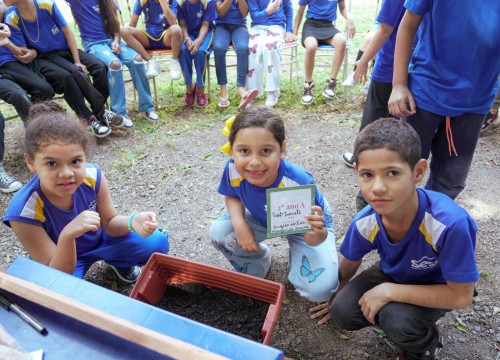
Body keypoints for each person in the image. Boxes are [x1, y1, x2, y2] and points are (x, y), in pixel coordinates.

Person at [311, 118, 479, 359]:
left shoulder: (449, 224)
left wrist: (389, 292)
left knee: (396, 319)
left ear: (418, 171)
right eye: (367, 174)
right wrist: (334, 293)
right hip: (395, 272)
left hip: (440, 284)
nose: (377, 187)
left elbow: (461, 296)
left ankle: (426, 342)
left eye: (392, 173)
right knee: (342, 311)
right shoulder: (366, 221)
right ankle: (400, 315)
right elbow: (349, 261)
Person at [3, 101, 169, 282]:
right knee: (56, 291)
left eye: (75, 161)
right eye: (51, 163)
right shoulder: (23, 210)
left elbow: (109, 222)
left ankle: (119, 261)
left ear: (85, 156)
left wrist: (132, 222)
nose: (66, 174)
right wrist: (68, 235)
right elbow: (56, 271)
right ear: (31, 163)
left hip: (101, 241)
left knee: (155, 242)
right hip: (59, 259)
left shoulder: (93, 176)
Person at [210, 106, 339, 302]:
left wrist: (316, 234)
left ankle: (299, 260)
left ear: (282, 149)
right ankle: (257, 263)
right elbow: (231, 195)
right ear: (232, 149)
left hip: (305, 227)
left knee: (320, 290)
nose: (254, 162)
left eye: (266, 151)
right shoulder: (232, 169)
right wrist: (240, 224)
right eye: (244, 151)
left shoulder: (299, 181)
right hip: (261, 216)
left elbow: (314, 236)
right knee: (220, 233)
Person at [388, 0, 500, 200]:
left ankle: (428, 224)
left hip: (476, 100)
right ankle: (377, 224)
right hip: (425, 93)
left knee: (451, 181)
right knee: (399, 169)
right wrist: (398, 84)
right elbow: (407, 25)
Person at [2, 0, 119, 137]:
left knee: (99, 68)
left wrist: (77, 60)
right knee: (73, 74)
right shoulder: (11, 16)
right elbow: (23, 51)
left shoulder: (46, 4)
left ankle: (98, 111)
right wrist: (29, 52)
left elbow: (67, 31)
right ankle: (92, 116)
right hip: (46, 56)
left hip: (67, 50)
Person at [339, 0, 406, 211]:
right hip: (416, 72)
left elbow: (385, 29)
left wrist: (363, 60)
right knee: (400, 137)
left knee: (370, 134)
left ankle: (366, 203)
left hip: (389, 72)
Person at [66, 0, 159, 124]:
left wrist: (116, 40)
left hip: (113, 41)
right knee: (115, 64)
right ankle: (119, 113)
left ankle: (147, 107)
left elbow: (115, 25)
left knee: (136, 59)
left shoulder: (108, 2)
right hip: (94, 45)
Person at [293, 0, 355, 105]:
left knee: (341, 41)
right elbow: (299, 12)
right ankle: (308, 85)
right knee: (311, 46)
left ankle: (331, 82)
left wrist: (350, 18)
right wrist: (294, 33)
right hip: (311, 25)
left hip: (328, 26)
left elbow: (343, 8)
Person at [246, 0, 295, 108]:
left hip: (276, 26)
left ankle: (273, 90)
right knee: (252, 49)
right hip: (258, 27)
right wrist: (268, 11)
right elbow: (255, 17)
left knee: (270, 46)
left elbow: (289, 10)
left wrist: (289, 30)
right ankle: (252, 91)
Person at [120, 0, 183, 80]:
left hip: (166, 38)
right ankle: (151, 61)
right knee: (123, 30)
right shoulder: (142, 1)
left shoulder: (172, 1)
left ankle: (174, 61)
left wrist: (163, 3)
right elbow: (132, 24)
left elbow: (173, 23)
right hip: (148, 38)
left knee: (176, 29)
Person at [213, 0, 255, 109]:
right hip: (221, 26)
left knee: (242, 48)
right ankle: (223, 90)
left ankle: (241, 89)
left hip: (239, 25)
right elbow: (221, 12)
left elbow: (244, 13)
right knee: (218, 48)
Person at [177, 0, 216, 107]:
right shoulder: (180, 2)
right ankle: (189, 87)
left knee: (200, 52)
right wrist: (186, 38)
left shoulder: (208, 1)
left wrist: (199, 41)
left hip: (205, 32)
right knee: (183, 50)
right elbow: (182, 24)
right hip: (188, 33)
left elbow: (205, 24)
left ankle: (200, 88)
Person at [341, 20, 379, 95]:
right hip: (383, 23)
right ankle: (355, 73)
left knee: (383, 42)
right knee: (370, 38)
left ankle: (373, 78)